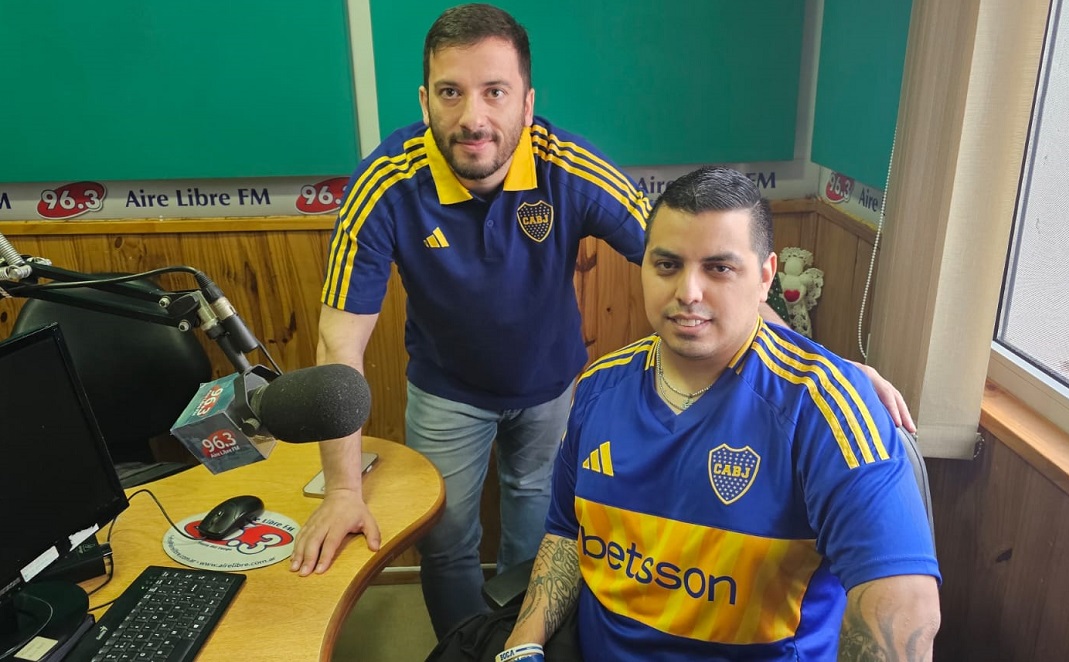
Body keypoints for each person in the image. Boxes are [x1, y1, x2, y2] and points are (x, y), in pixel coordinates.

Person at [289, 3, 916, 640]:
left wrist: (826, 367)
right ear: (425, 102)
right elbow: (339, 344)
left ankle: (519, 644)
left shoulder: (568, 166)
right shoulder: (384, 183)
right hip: (445, 392)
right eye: (451, 92)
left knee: (540, 535)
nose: (473, 117)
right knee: (445, 542)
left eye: (495, 92)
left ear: (527, 104)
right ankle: (466, 649)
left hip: (551, 389)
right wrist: (343, 490)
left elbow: (696, 268)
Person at [500, 167, 940, 661]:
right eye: (667, 265)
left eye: (719, 268)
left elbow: (903, 607)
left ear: (766, 276)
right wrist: (522, 644)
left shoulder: (825, 406)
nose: (688, 292)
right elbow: (565, 533)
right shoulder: (598, 387)